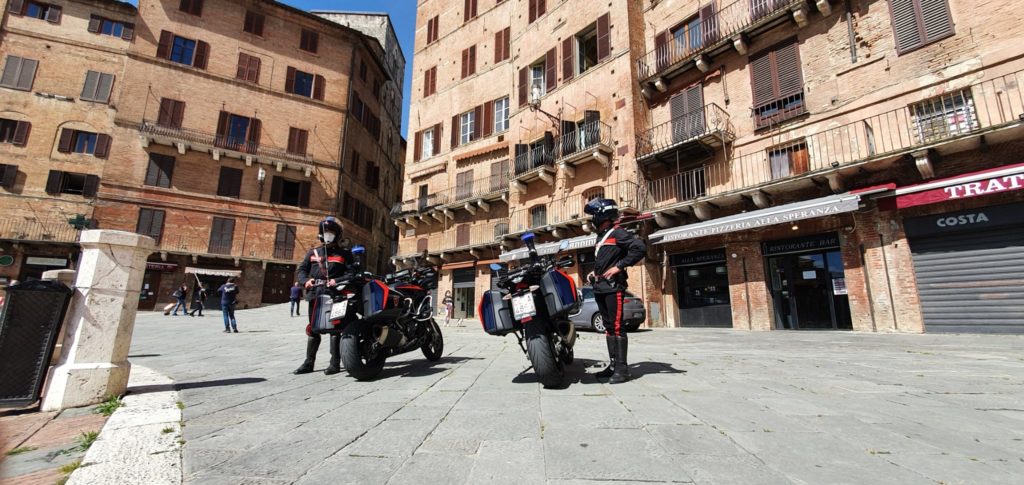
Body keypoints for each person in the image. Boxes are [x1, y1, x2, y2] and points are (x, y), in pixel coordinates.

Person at [583, 197, 646, 384]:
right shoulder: (601, 236)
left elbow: (639, 248)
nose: (592, 218)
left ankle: (622, 369)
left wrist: (620, 266)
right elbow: (605, 260)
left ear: (604, 214)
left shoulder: (618, 233)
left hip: (613, 288)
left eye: (594, 214)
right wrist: (596, 272)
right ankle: (612, 366)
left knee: (617, 328)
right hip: (600, 287)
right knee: (609, 328)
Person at [293, 216, 355, 376]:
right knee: (313, 329)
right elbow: (301, 271)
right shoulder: (312, 253)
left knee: (335, 329)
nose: (328, 234)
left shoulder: (345, 254)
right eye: (325, 231)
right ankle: (308, 363)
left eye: (331, 231)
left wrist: (337, 280)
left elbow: (351, 273)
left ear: (337, 234)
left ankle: (334, 363)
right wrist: (305, 281)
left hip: (336, 296)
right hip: (316, 295)